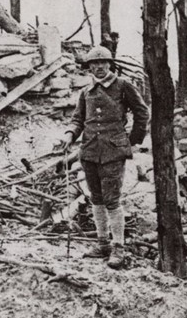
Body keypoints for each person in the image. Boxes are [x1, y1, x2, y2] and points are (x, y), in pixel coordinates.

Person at [54, 46, 150, 269]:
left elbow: (142, 112)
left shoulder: (123, 86)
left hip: (113, 152)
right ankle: (102, 243)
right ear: (89, 67)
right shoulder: (86, 92)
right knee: (95, 198)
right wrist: (69, 136)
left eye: (103, 63)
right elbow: (78, 119)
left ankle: (118, 247)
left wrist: (132, 140)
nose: (98, 67)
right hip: (89, 151)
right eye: (93, 64)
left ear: (110, 64)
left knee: (112, 199)